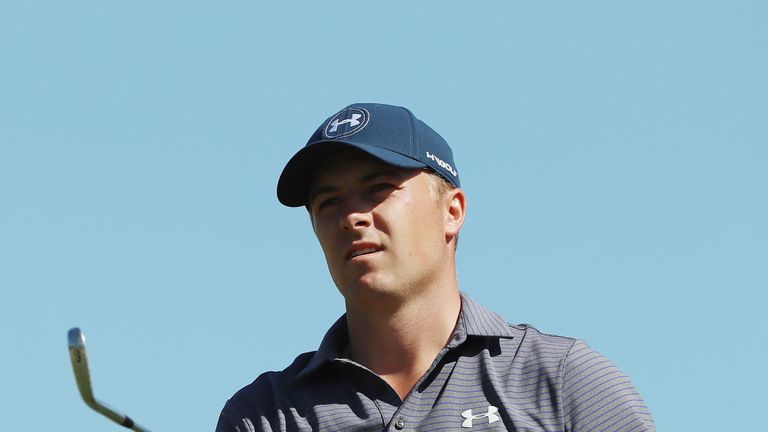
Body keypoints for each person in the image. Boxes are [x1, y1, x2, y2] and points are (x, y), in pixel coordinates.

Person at [216, 103, 655, 432]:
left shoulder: (561, 382)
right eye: (329, 202)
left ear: (452, 211)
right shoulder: (265, 414)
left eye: (378, 188)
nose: (353, 216)